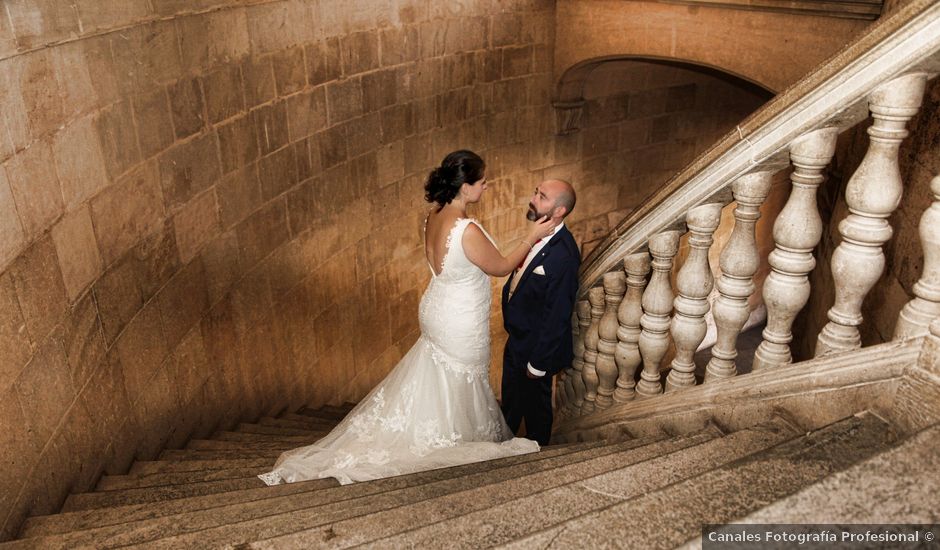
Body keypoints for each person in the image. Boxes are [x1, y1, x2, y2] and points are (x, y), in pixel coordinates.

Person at [259, 150, 556, 485]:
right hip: (458, 319)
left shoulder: (433, 215)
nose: (487, 188)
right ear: (465, 186)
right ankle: (453, 439)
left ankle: (438, 429)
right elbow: (501, 267)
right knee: (460, 379)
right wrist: (531, 237)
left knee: (439, 375)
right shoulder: (467, 230)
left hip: (437, 307)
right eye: (482, 182)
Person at [500, 179, 579, 446]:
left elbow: (557, 315)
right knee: (510, 404)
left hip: (534, 352)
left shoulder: (564, 255)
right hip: (518, 339)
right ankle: (501, 452)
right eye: (536, 191)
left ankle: (539, 455)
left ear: (559, 212)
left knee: (536, 410)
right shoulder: (536, 234)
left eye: (542, 197)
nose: (533, 198)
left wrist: (538, 364)